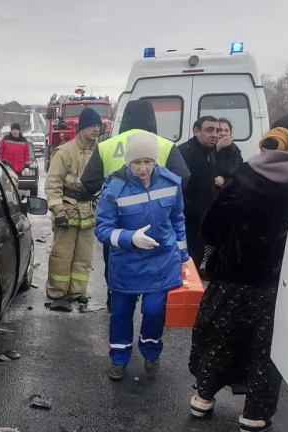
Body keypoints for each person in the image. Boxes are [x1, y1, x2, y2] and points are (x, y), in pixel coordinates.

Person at [188, 113, 288, 432]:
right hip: (277, 285)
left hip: (231, 279)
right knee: (267, 350)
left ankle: (203, 398)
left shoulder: (247, 172)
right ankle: (254, 417)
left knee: (219, 339)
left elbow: (212, 227)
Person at [95, 131, 189, 381]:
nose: (143, 168)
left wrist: (183, 255)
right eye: (137, 162)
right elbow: (102, 229)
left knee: (155, 310)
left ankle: (151, 352)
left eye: (148, 162)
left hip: (162, 260)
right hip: (127, 263)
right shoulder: (114, 190)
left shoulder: (171, 183)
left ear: (155, 161)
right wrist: (130, 238)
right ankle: (119, 358)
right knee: (122, 312)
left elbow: (178, 219)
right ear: (128, 162)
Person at [80, 99, 191, 311]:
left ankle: (116, 304)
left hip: (117, 222)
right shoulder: (164, 144)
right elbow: (183, 177)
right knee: (156, 274)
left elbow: (88, 181)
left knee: (116, 266)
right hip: (155, 225)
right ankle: (152, 311)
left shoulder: (106, 145)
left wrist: (108, 197)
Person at [44, 108, 102, 305]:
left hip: (87, 209)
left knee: (83, 256)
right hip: (67, 210)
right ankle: (57, 292)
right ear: (82, 128)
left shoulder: (100, 151)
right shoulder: (64, 152)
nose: (97, 129)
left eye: (98, 125)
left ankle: (78, 292)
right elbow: (53, 183)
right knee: (62, 254)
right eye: (93, 125)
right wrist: (58, 210)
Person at [179, 115, 220, 269]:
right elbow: (176, 189)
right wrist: (193, 212)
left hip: (202, 221)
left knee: (196, 260)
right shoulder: (184, 153)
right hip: (186, 222)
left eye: (217, 130)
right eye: (209, 130)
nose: (214, 134)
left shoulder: (209, 152)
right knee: (187, 263)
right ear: (196, 131)